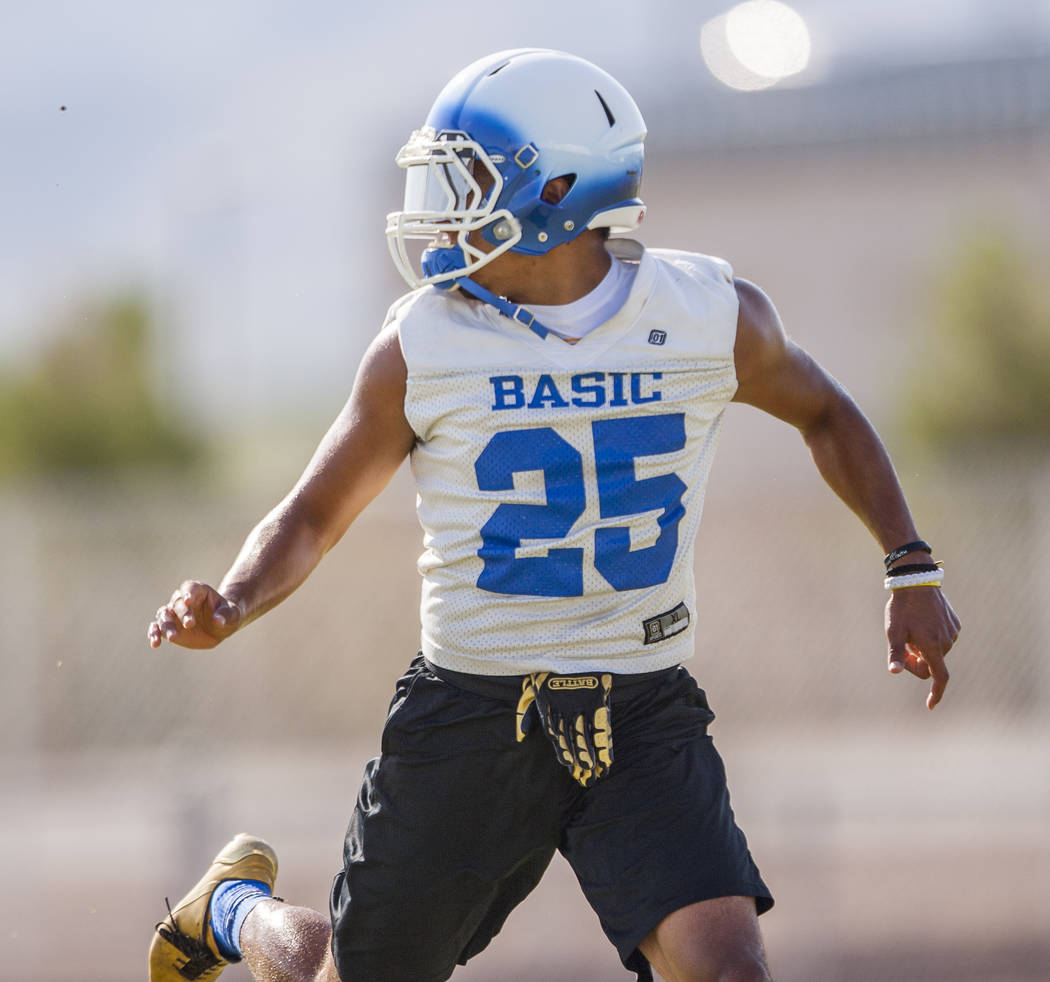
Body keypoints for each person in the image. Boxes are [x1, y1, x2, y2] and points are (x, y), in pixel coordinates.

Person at [146, 48, 961, 982]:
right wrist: (235, 600)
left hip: (642, 706)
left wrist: (910, 564)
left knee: (731, 971)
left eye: (470, 182)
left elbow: (827, 412)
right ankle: (235, 912)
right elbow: (311, 515)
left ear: (560, 189)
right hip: (474, 713)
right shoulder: (424, 341)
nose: (446, 209)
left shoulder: (707, 314)